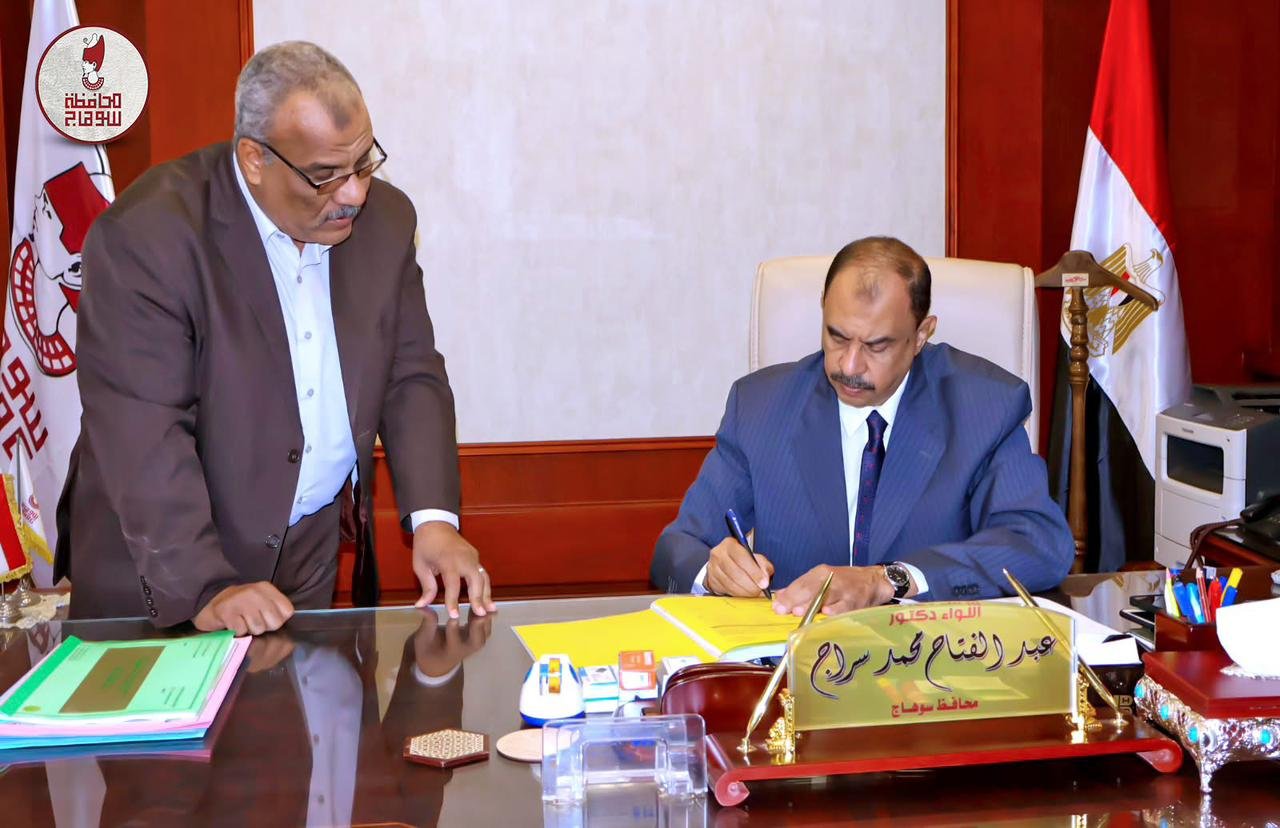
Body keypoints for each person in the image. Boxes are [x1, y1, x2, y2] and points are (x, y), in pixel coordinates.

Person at [55, 41, 496, 633]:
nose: (354, 194)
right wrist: (204, 586)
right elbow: (143, 425)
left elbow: (410, 373)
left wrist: (434, 521)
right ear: (254, 160)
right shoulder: (149, 236)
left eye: (364, 162)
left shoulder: (386, 222)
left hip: (305, 556)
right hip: (166, 567)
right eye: (325, 176)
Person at [650, 236, 1074, 615]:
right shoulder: (761, 407)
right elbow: (677, 546)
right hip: (794, 662)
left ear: (921, 335)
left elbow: (1037, 543)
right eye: (837, 337)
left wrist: (887, 580)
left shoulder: (983, 407)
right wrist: (713, 572)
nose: (849, 365)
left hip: (930, 662)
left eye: (877, 345)